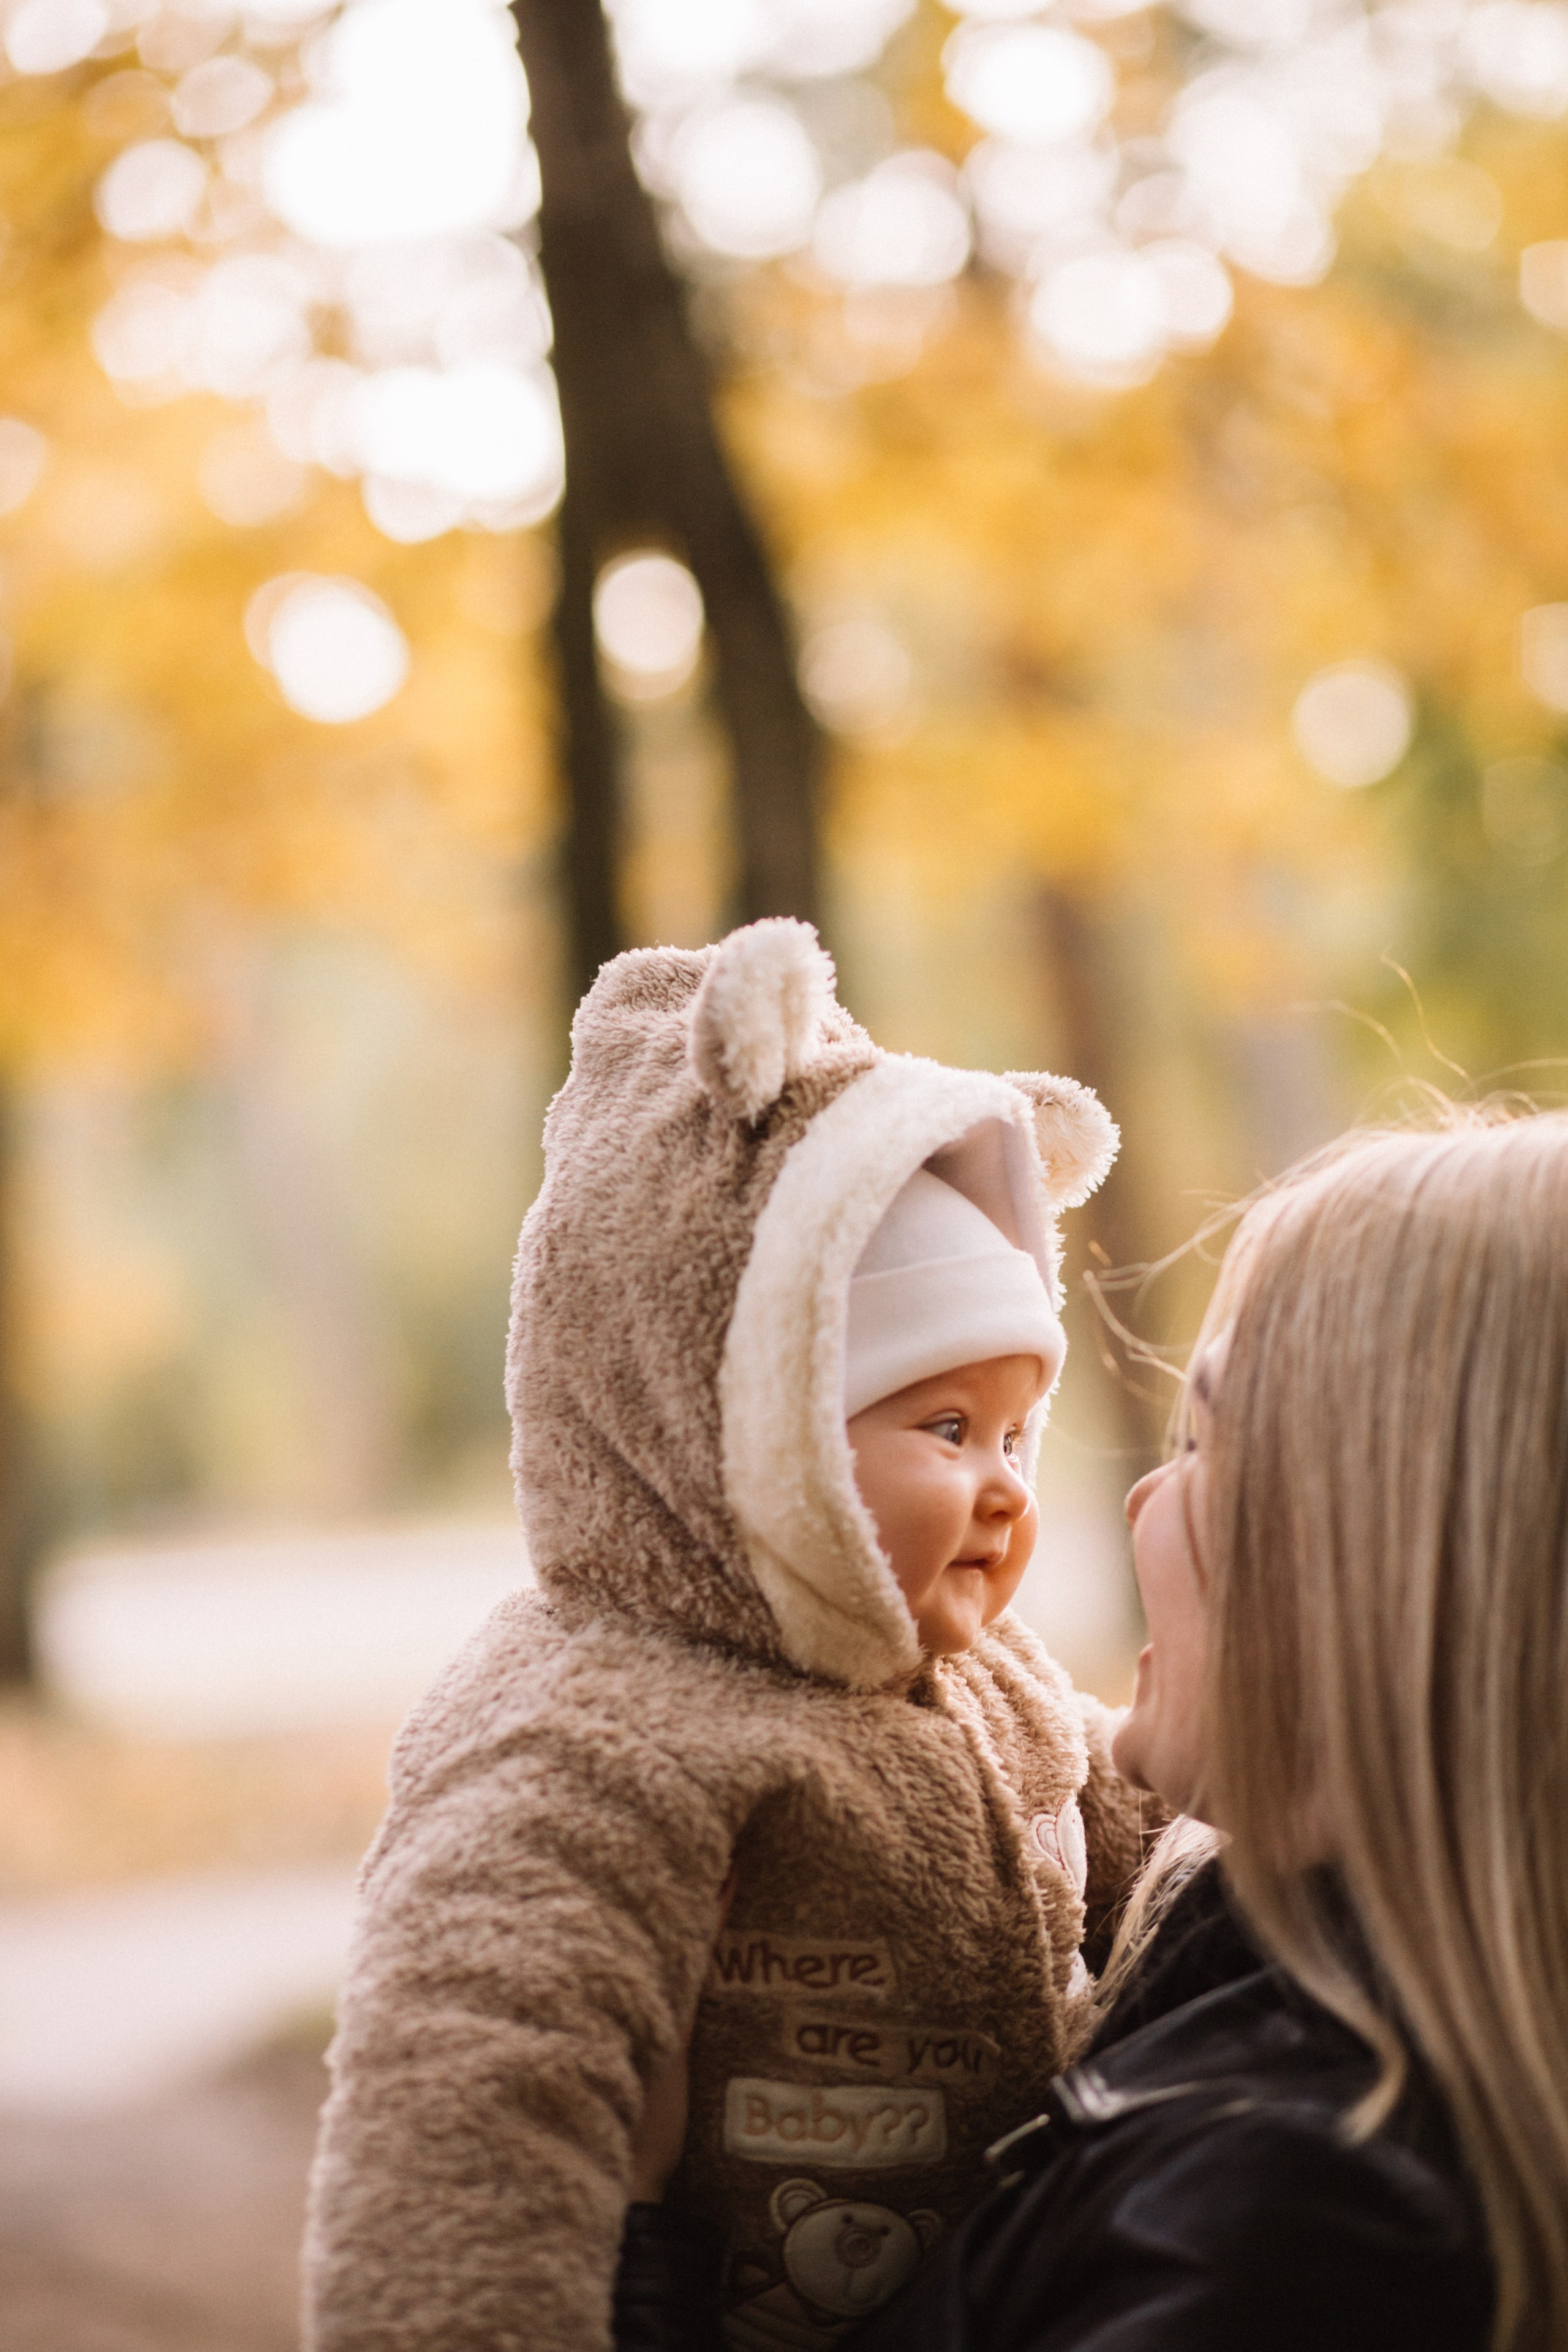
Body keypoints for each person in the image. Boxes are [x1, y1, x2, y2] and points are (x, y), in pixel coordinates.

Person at [302, 918, 1160, 2352]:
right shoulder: (592, 1737)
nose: (1008, 1484)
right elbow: (466, 2115)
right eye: (946, 1427)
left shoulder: (993, 1687)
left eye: (1018, 1433)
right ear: (750, 1436)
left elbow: (1155, 1830)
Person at [622, 1112, 1568, 2351]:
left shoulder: (1288, 2234)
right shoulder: (1262, 1981)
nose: (1142, 1501)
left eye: (1208, 1444)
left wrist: (629, 2243)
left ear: (1385, 1561)